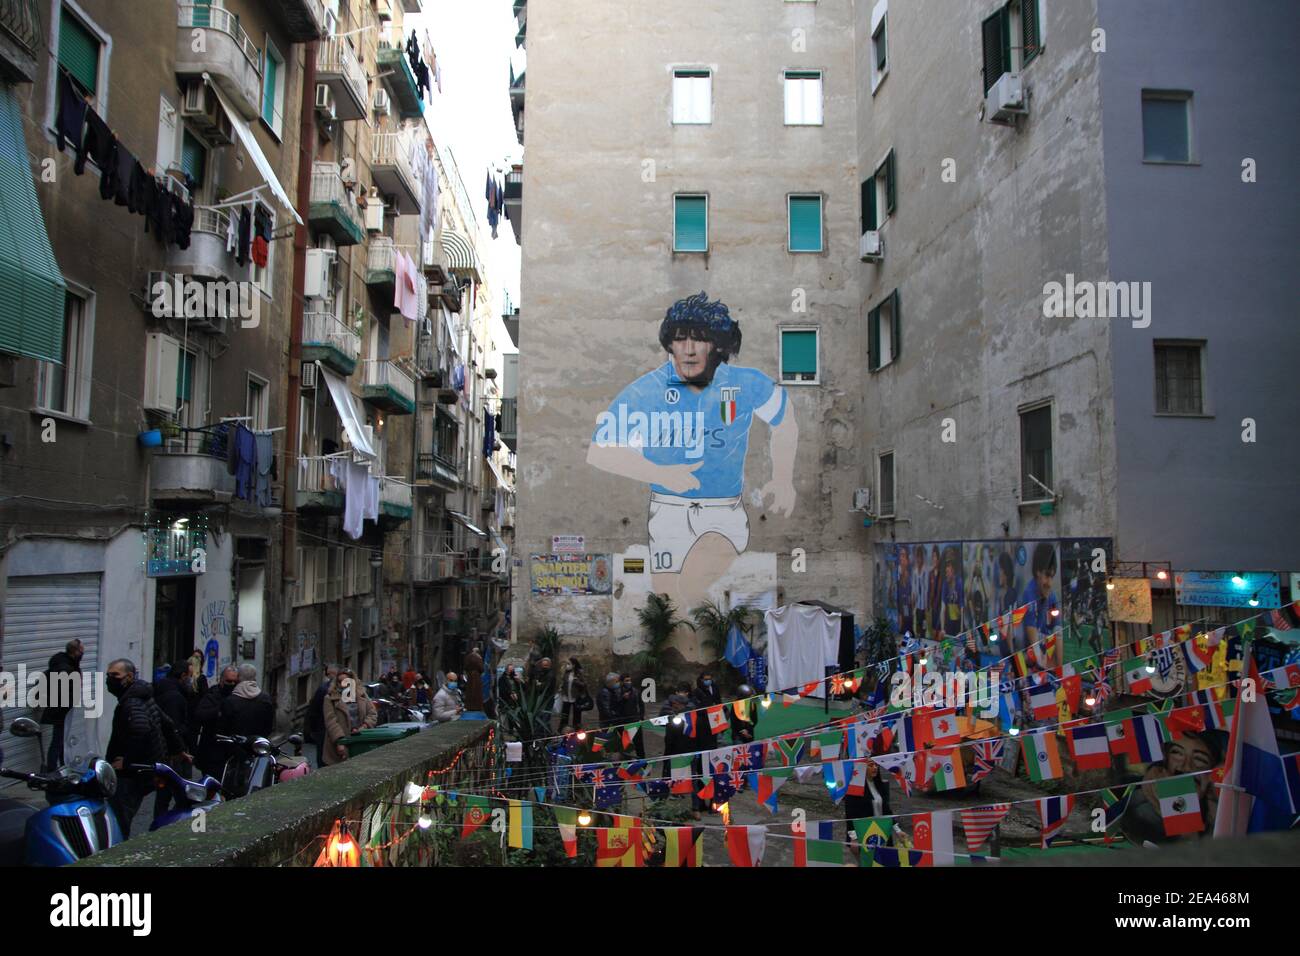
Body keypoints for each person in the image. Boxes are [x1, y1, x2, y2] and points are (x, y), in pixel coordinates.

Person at [586, 292, 799, 617]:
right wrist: (662, 474)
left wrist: (783, 479)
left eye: (699, 339)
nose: (688, 348)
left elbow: (785, 420)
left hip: (722, 511)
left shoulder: (745, 383)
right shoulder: (647, 390)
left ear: (717, 345)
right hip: (667, 509)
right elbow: (600, 450)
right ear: (669, 344)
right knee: (670, 603)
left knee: (693, 587)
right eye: (680, 338)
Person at [104, 658, 188, 838]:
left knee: (120, 817)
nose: (110, 679)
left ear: (129, 677)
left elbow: (141, 731)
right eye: (108, 675)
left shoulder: (131, 702)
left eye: (115, 675)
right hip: (147, 767)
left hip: (133, 772)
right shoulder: (143, 696)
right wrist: (178, 749)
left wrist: (127, 762)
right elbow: (166, 722)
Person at [39, 639, 84, 771]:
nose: (82, 654)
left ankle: (63, 765)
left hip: (61, 707)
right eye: (81, 651)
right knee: (58, 740)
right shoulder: (65, 668)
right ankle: (53, 769)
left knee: (61, 739)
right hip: (61, 708)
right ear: (75, 652)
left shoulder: (63, 662)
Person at [322, 669, 377, 766]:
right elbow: (331, 721)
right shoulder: (330, 698)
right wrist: (340, 741)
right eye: (340, 681)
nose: (344, 684)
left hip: (360, 740)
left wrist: (364, 726)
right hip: (339, 744)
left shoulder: (361, 694)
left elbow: (372, 713)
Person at [193, 665, 238, 778]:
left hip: (230, 750)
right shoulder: (212, 695)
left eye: (234, 682)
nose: (232, 684)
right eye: (229, 681)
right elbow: (200, 715)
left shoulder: (237, 697)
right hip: (211, 749)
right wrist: (218, 712)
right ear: (221, 680)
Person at [1019, 543, 1060, 663]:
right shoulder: (1029, 593)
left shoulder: (1052, 595)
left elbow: (1058, 631)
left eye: (1052, 577)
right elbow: (1032, 632)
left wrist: (1059, 667)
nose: (1050, 583)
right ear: (1038, 572)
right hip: (1028, 659)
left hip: (1043, 656)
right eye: (1047, 576)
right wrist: (1041, 660)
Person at [222, 664, 274, 738]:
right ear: (254, 678)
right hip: (258, 745)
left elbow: (225, 728)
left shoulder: (230, 701)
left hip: (236, 745)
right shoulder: (265, 698)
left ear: (238, 678)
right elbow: (269, 726)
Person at [307, 665, 337, 768]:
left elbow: (313, 711)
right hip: (325, 729)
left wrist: (313, 730)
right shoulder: (325, 689)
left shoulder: (323, 689)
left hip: (323, 729)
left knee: (323, 759)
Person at [617, 673, 646, 757]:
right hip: (624, 723)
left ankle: (642, 763)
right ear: (622, 682)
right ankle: (625, 764)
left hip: (635, 721)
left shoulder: (636, 691)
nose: (629, 682)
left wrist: (641, 717)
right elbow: (616, 706)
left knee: (639, 745)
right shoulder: (618, 692)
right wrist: (623, 699)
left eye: (630, 680)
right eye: (626, 681)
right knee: (625, 745)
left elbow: (641, 705)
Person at [558, 658, 588, 730]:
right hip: (566, 697)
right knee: (565, 714)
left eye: (569, 664)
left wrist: (577, 681)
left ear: (573, 665)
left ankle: (577, 729)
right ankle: (562, 728)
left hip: (576, 697)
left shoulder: (579, 673)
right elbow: (563, 682)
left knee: (577, 714)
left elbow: (584, 684)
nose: (567, 665)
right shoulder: (566, 672)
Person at [463, 645, 485, 712]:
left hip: (470, 676)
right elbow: (481, 668)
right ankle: (476, 706)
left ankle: (469, 705)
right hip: (477, 676)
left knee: (470, 691)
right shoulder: (479, 658)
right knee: (477, 692)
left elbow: (465, 667)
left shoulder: (468, 657)